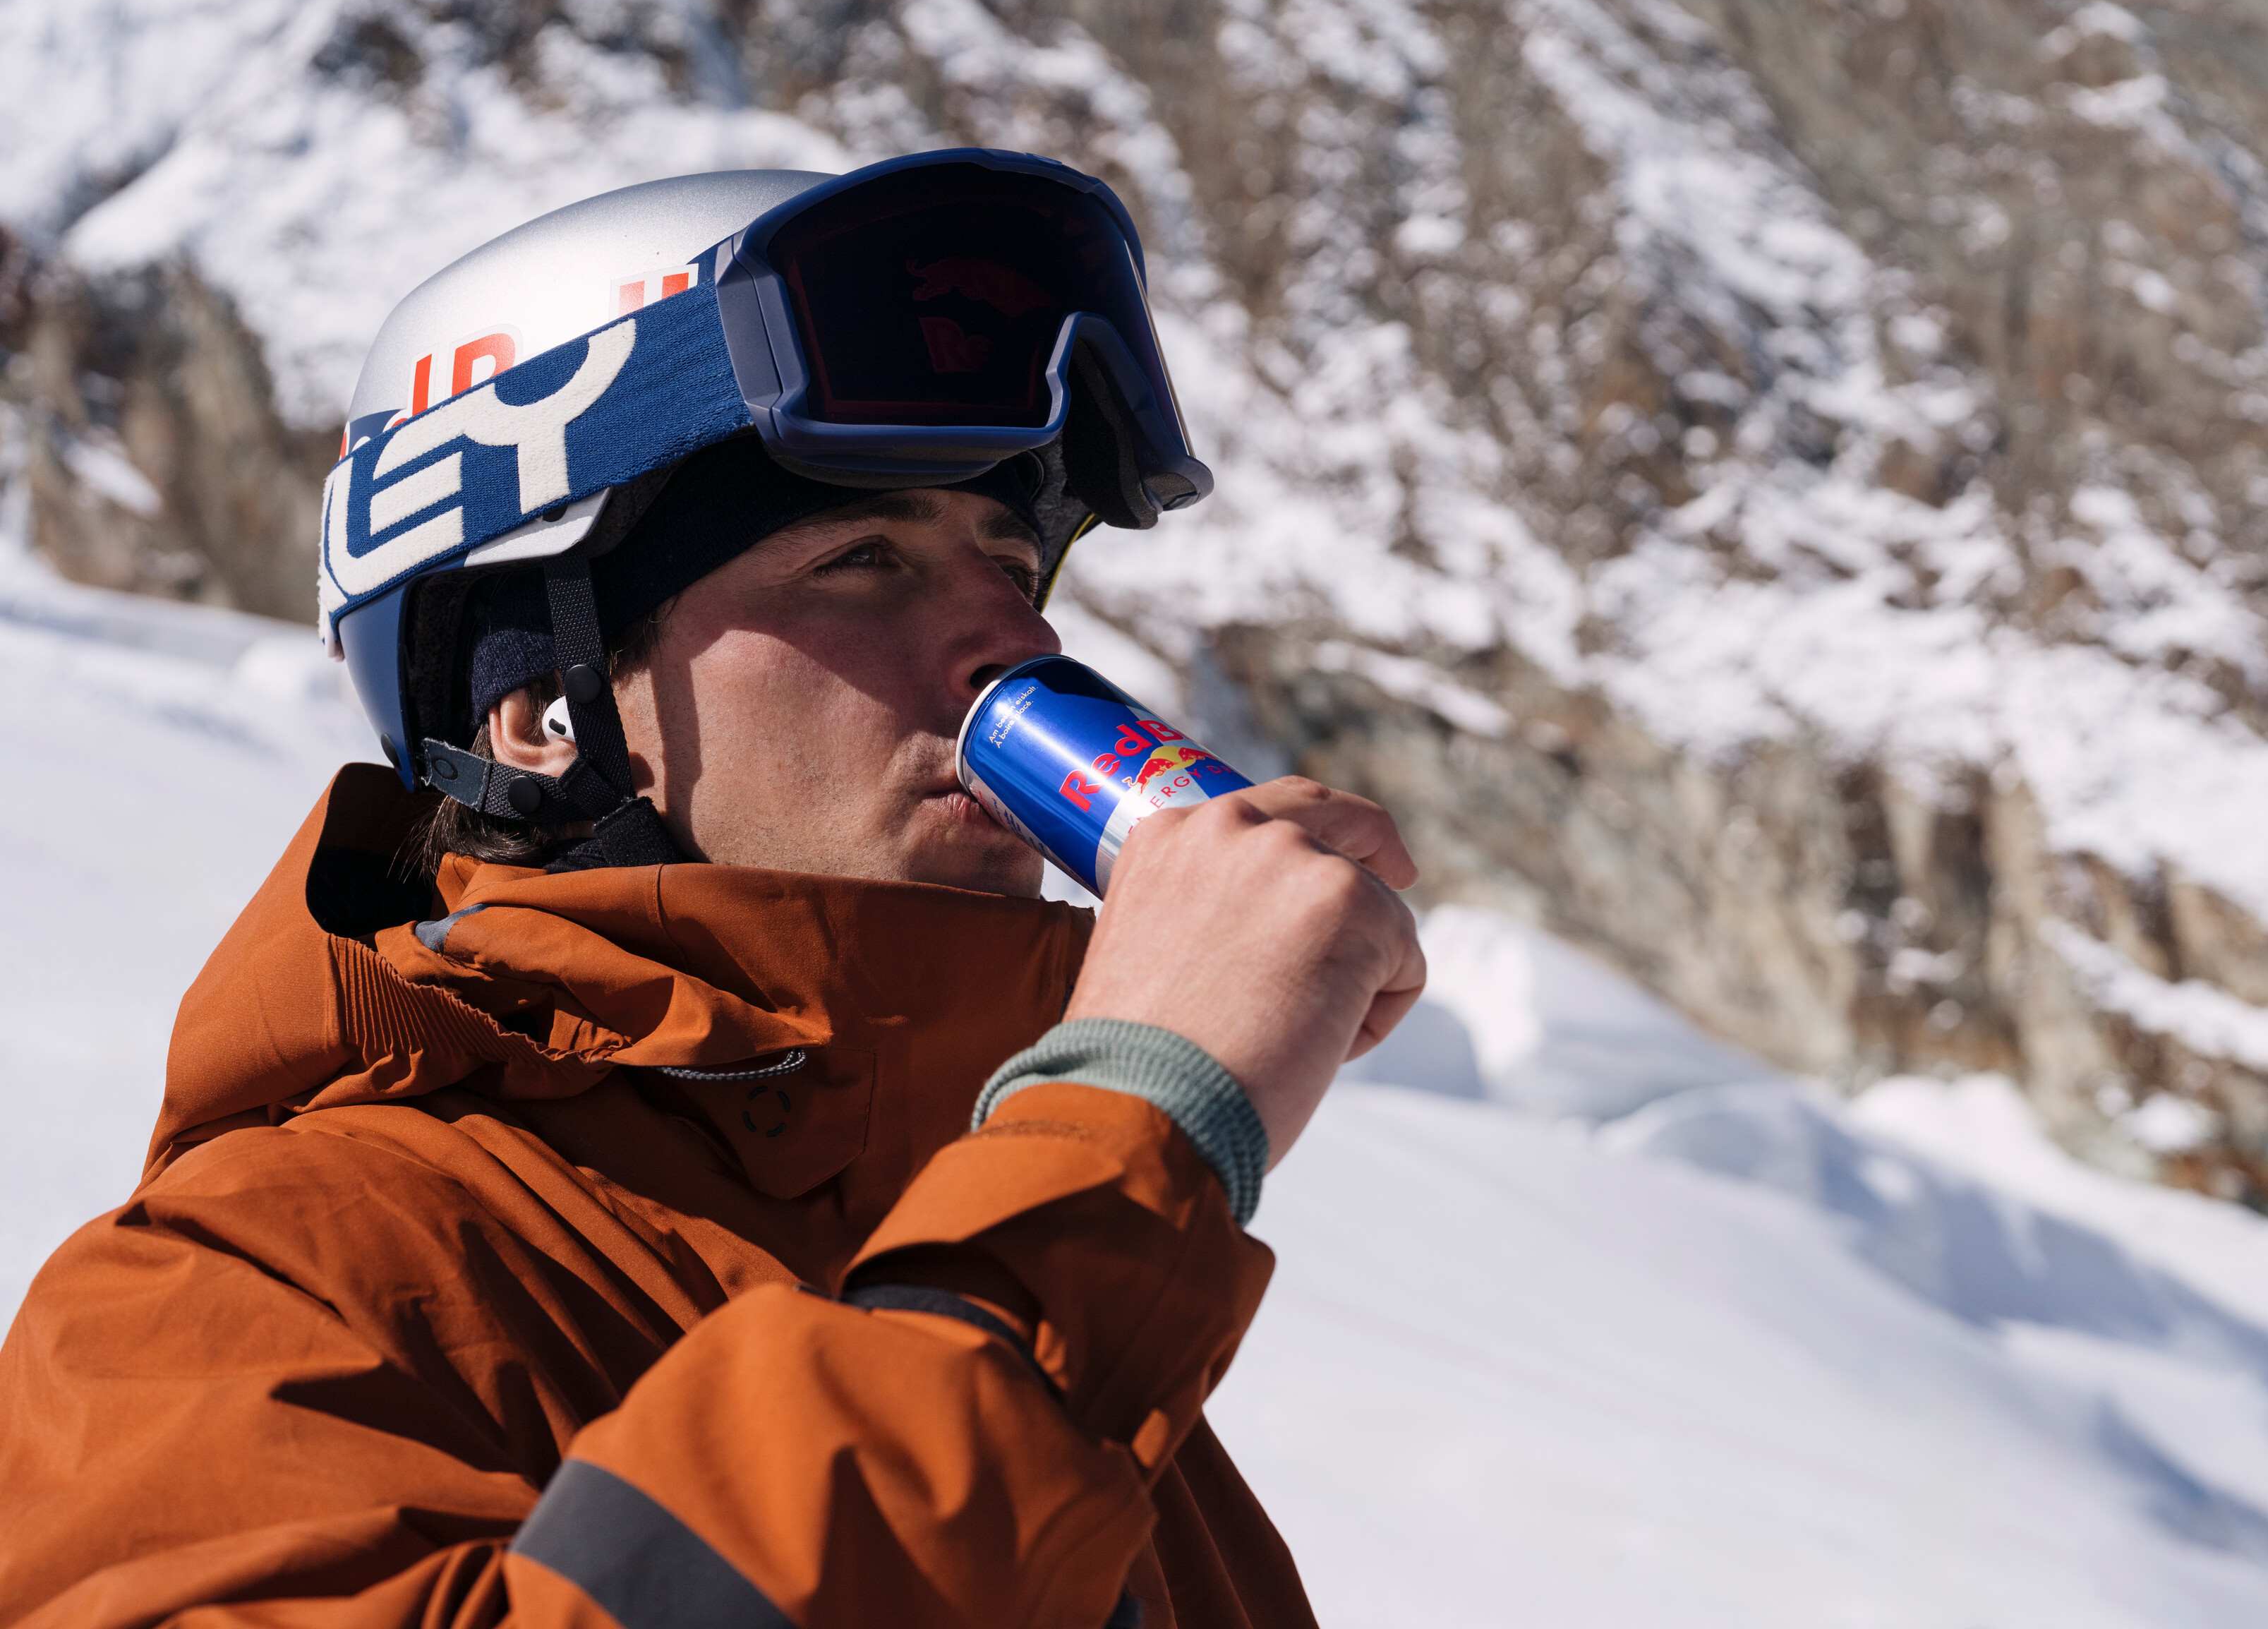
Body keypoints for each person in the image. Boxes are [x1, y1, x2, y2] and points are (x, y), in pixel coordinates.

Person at [0, 151, 1425, 1628]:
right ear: (543, 708)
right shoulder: (248, 1284)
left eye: (1013, 565)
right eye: (864, 558)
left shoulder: (1015, 1278)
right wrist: (1129, 1126)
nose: (1019, 643)